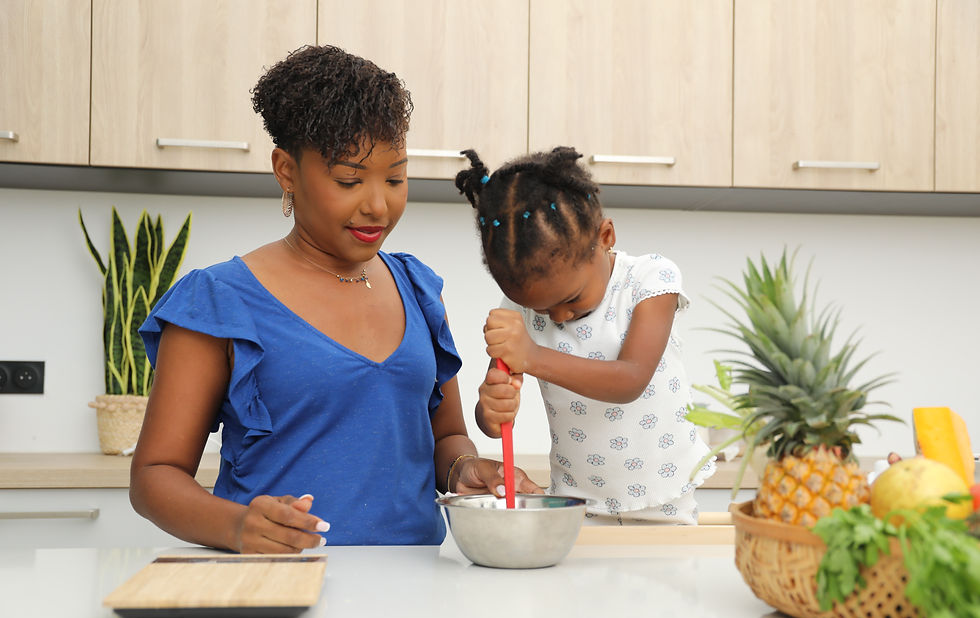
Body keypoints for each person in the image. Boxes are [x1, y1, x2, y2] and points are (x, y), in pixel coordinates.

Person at [130, 45, 540, 554]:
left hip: (415, 586)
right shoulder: (219, 301)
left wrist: (465, 469)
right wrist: (237, 526)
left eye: (395, 178)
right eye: (350, 180)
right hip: (280, 582)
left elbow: (446, 438)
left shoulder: (417, 289)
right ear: (286, 170)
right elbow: (154, 476)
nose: (378, 205)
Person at [455, 146, 716, 525]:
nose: (559, 317)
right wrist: (491, 410)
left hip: (665, 498)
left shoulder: (649, 281)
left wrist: (532, 356)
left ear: (605, 236)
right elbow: (491, 420)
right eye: (542, 309)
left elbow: (630, 379)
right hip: (576, 502)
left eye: (571, 299)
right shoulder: (518, 310)